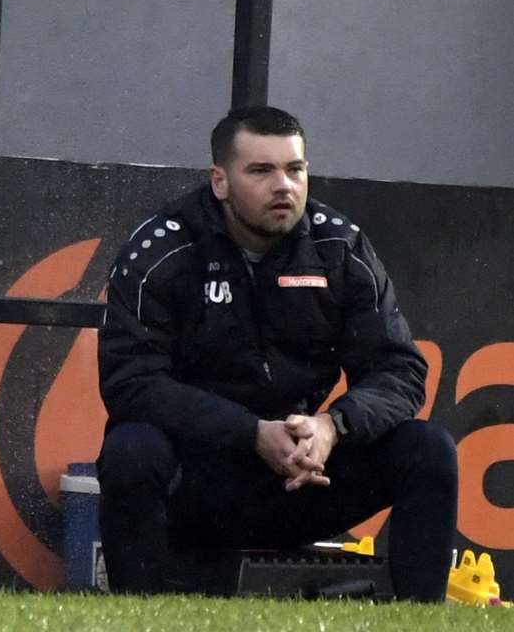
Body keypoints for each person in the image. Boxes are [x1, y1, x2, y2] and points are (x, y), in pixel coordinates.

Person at [96, 105, 457, 600]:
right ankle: (136, 610)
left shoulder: (339, 247)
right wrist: (250, 434)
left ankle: (421, 614)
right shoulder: (162, 250)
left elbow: (401, 370)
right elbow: (130, 383)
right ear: (219, 181)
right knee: (131, 449)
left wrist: (332, 428)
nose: (284, 186)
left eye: (295, 169)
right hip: (199, 484)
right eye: (261, 171)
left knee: (429, 449)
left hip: (305, 475)